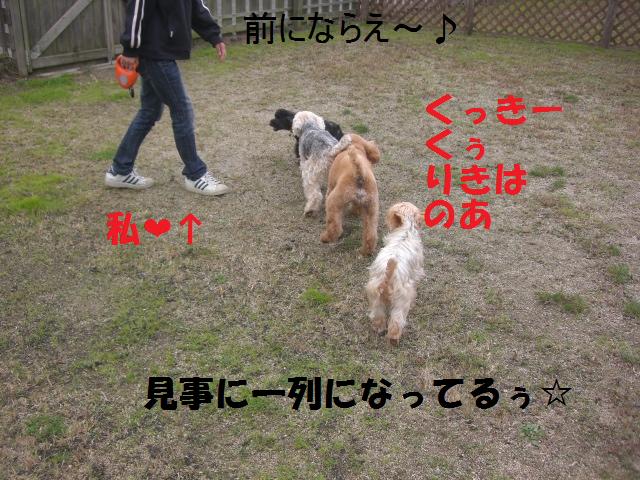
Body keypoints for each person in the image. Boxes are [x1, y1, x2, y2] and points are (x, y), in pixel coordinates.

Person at [105, 0, 229, 196]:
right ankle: (195, 174)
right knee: (182, 110)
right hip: (154, 51)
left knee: (149, 111)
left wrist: (214, 35)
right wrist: (130, 48)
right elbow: (137, 7)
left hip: (162, 51)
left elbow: (196, 6)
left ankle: (120, 170)